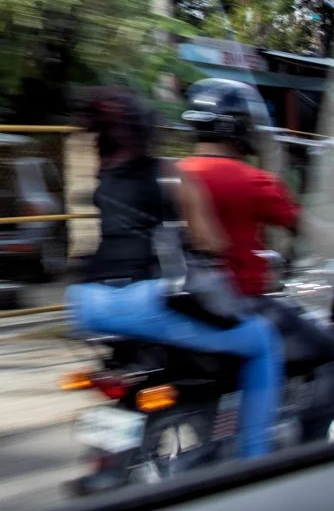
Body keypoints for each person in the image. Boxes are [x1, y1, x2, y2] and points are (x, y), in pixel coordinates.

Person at [66, 88, 284, 460]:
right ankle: (255, 455)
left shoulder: (104, 176)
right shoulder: (170, 174)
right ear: (147, 130)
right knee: (262, 342)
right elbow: (210, 240)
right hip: (144, 301)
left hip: (87, 303)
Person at [177, 77, 334, 443]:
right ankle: (314, 450)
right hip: (240, 304)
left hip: (183, 308)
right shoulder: (252, 181)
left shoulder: (174, 174)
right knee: (331, 351)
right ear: (241, 127)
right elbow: (306, 228)